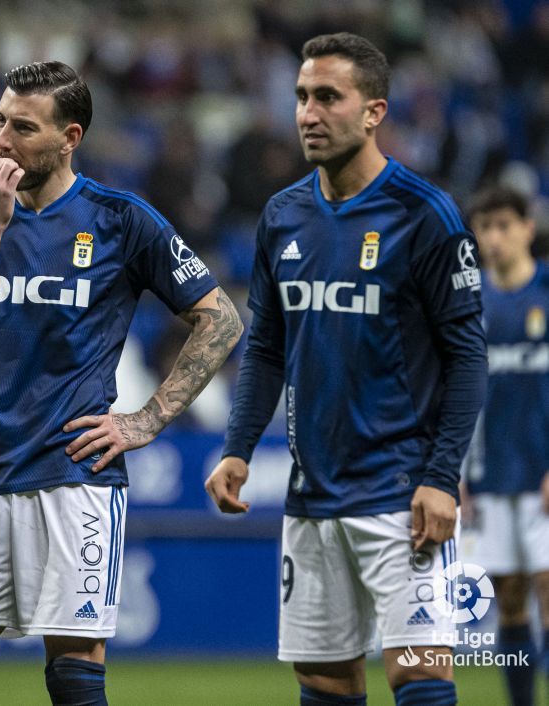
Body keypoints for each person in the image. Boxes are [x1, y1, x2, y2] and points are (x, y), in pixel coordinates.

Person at [0, 61, 242, 706]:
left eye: (23, 128)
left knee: (73, 677)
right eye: (0, 121)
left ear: (70, 137)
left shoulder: (121, 219)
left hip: (74, 478)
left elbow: (220, 320)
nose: (2, 140)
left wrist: (147, 418)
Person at [205, 33, 487, 706]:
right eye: (303, 96)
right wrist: (238, 448)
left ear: (374, 112)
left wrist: (442, 477)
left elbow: (468, 356)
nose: (308, 112)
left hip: (401, 495)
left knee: (419, 675)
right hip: (312, 496)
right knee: (325, 683)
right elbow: (267, 345)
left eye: (329, 97)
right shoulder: (283, 215)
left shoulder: (425, 214)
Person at [462, 185, 549, 706]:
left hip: (544, 472)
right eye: (484, 228)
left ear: (527, 229)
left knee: (548, 589)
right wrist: (453, 474)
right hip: (492, 475)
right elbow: (458, 393)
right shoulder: (469, 304)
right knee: (512, 600)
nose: (493, 238)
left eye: (503, 226)